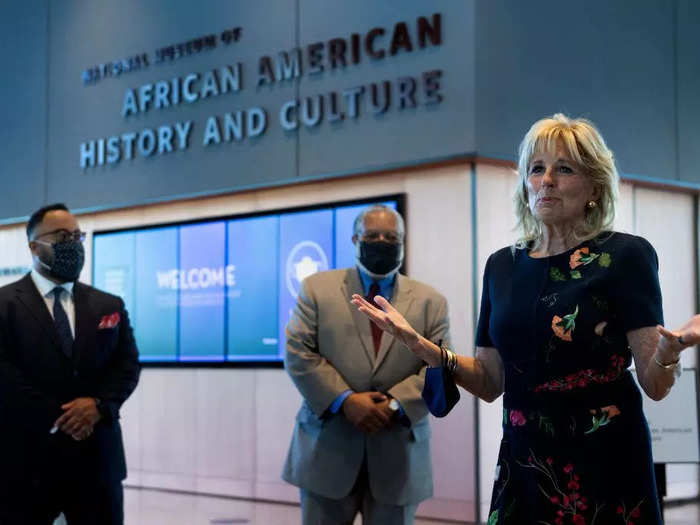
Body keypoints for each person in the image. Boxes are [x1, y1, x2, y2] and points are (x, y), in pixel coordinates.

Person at [352, 114, 700, 525]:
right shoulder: (502, 266)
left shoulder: (625, 256)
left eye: (564, 168)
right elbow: (489, 381)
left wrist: (667, 350)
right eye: (537, 168)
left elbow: (656, 386)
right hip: (526, 459)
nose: (546, 180)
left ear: (594, 186)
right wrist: (424, 348)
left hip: (605, 461)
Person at [282, 204, 450, 525]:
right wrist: (345, 401)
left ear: (403, 242)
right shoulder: (317, 289)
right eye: (373, 235)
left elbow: (440, 365)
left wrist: (394, 405)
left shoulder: (432, 301)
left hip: (399, 457)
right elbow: (296, 350)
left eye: (391, 236)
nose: (382, 241)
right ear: (355, 239)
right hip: (326, 453)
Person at [0, 203, 140, 525]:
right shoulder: (4, 305)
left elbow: (127, 365)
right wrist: (63, 416)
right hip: (26, 465)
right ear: (34, 246)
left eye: (78, 236)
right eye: (62, 236)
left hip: (97, 463)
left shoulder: (108, 304)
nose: (73, 244)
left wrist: (99, 405)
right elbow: (4, 375)